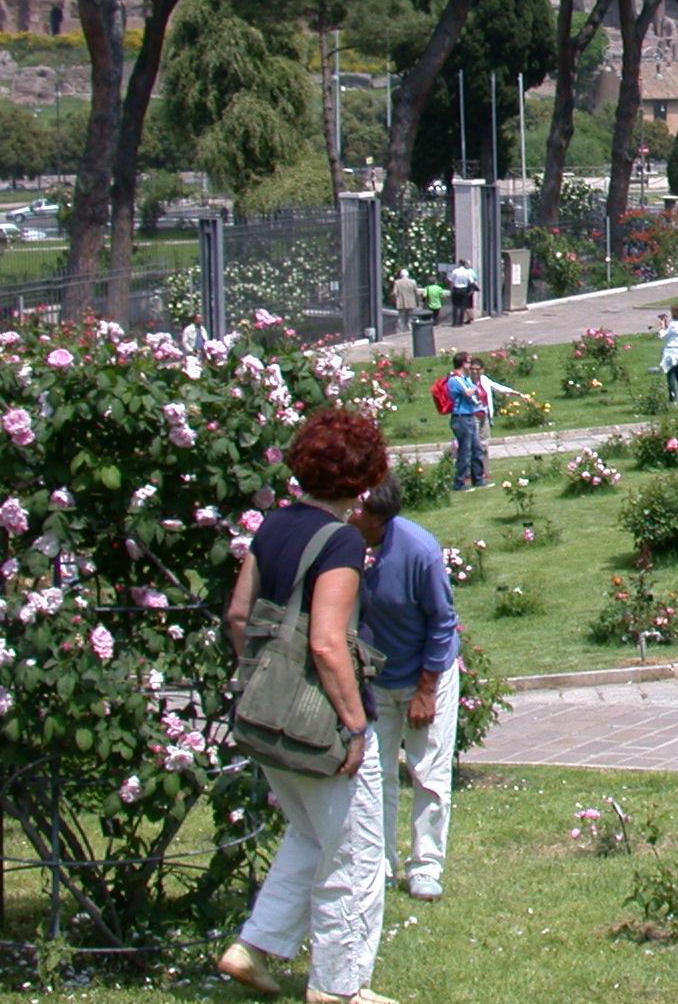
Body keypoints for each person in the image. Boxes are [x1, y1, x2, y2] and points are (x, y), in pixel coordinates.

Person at [217, 410, 392, 1004]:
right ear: (362, 478)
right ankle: (339, 989)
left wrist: (266, 683)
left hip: (268, 718)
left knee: (309, 836)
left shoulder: (273, 525)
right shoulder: (341, 539)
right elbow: (326, 640)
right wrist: (354, 724)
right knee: (357, 851)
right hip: (321, 726)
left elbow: (239, 616)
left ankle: (253, 947)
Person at [354, 478, 460, 904]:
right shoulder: (349, 545)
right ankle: (377, 863)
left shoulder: (419, 550)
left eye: (358, 510)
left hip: (425, 674)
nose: (350, 513)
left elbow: (442, 621)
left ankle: (426, 866)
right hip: (375, 679)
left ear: (378, 518)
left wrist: (426, 691)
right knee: (373, 774)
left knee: (428, 771)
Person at [468, 355, 534, 485]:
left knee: (484, 444)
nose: (475, 372)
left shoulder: (485, 380)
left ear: (482, 370)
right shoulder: (466, 382)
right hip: (472, 416)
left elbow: (499, 388)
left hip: (485, 416)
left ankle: (485, 472)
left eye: (477, 369)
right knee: (474, 445)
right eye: (472, 369)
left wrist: (518, 394)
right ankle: (473, 474)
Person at [445, 351, 486, 491]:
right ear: (463, 363)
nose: (471, 365)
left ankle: (478, 479)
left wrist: (473, 389)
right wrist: (473, 390)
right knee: (465, 451)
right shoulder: (455, 379)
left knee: (477, 448)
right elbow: (469, 393)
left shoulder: (465, 378)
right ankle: (459, 482)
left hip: (470, 416)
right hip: (460, 418)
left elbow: (476, 390)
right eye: (469, 362)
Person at [656, 304, 678, 405]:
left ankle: (672, 398)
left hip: (670, 351)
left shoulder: (672, 325)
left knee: (670, 375)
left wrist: (662, 326)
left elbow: (664, 336)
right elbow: (673, 333)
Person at [447, 257, 477, 327]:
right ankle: (461, 322)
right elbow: (471, 282)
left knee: (455, 306)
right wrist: (470, 290)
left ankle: (454, 322)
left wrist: (451, 289)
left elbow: (451, 281)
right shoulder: (467, 272)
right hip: (464, 290)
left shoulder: (455, 271)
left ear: (460, 264)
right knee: (463, 306)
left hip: (456, 289)